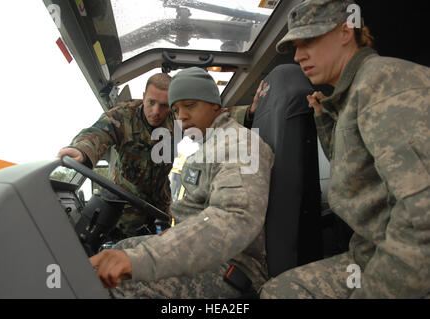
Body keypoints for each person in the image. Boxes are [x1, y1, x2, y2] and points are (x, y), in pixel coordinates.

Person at [259, 0, 430, 299]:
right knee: (279, 291)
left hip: (399, 258)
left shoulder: (383, 82)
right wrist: (324, 120)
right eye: (295, 46)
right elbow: (357, 170)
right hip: (367, 253)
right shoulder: (351, 95)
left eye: (308, 40)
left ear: (345, 31)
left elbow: (422, 219)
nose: (298, 56)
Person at [89, 67, 274, 298]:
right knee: (120, 250)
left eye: (190, 105)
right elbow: (97, 133)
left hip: (233, 266)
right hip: (209, 256)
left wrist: (147, 259)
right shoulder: (211, 144)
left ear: (214, 105)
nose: (181, 117)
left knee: (120, 282)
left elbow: (233, 218)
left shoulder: (239, 145)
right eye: (176, 109)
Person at [57, 73, 257, 238]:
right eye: (151, 102)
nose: (156, 111)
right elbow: (98, 133)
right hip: (122, 211)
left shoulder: (175, 119)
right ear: (143, 96)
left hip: (158, 210)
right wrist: (82, 150)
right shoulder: (123, 116)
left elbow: (211, 117)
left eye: (164, 105)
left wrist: (249, 112)